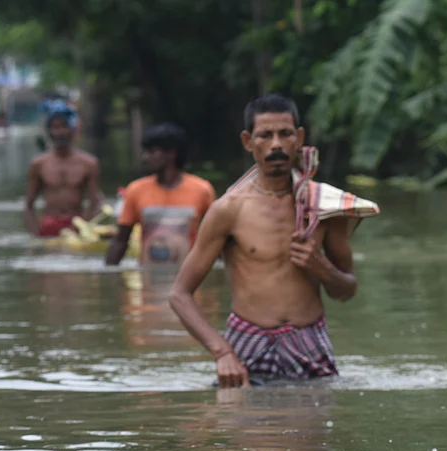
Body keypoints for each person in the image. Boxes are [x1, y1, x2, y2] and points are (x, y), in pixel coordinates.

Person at [169, 93, 379, 388]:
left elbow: (347, 290)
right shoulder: (228, 210)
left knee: (313, 433)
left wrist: (320, 267)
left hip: (310, 343)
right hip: (246, 345)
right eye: (265, 136)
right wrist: (222, 352)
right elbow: (179, 294)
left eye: (286, 134)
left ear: (300, 137)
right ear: (248, 141)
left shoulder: (325, 206)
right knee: (249, 432)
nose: (276, 144)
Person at [105, 122, 216, 265]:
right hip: (148, 275)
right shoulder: (136, 190)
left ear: (171, 153)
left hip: (187, 278)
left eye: (152, 152)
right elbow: (121, 241)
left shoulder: (202, 190)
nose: (146, 157)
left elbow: (215, 239)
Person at [24, 111, 101, 237]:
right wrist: (35, 235)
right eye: (55, 127)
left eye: (64, 127)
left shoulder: (89, 163)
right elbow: (29, 205)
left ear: (73, 130)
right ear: (49, 132)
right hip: (48, 224)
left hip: (77, 223)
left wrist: (86, 228)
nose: (60, 132)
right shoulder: (39, 164)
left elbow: (95, 202)